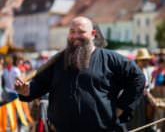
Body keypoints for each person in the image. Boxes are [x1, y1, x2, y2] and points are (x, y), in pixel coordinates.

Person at [15, 16, 145, 132]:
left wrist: (121, 108)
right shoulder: (56, 62)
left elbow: (137, 78)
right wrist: (26, 90)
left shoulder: (111, 60)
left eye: (81, 32)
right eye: (72, 32)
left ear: (93, 34)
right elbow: (39, 84)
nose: (75, 36)